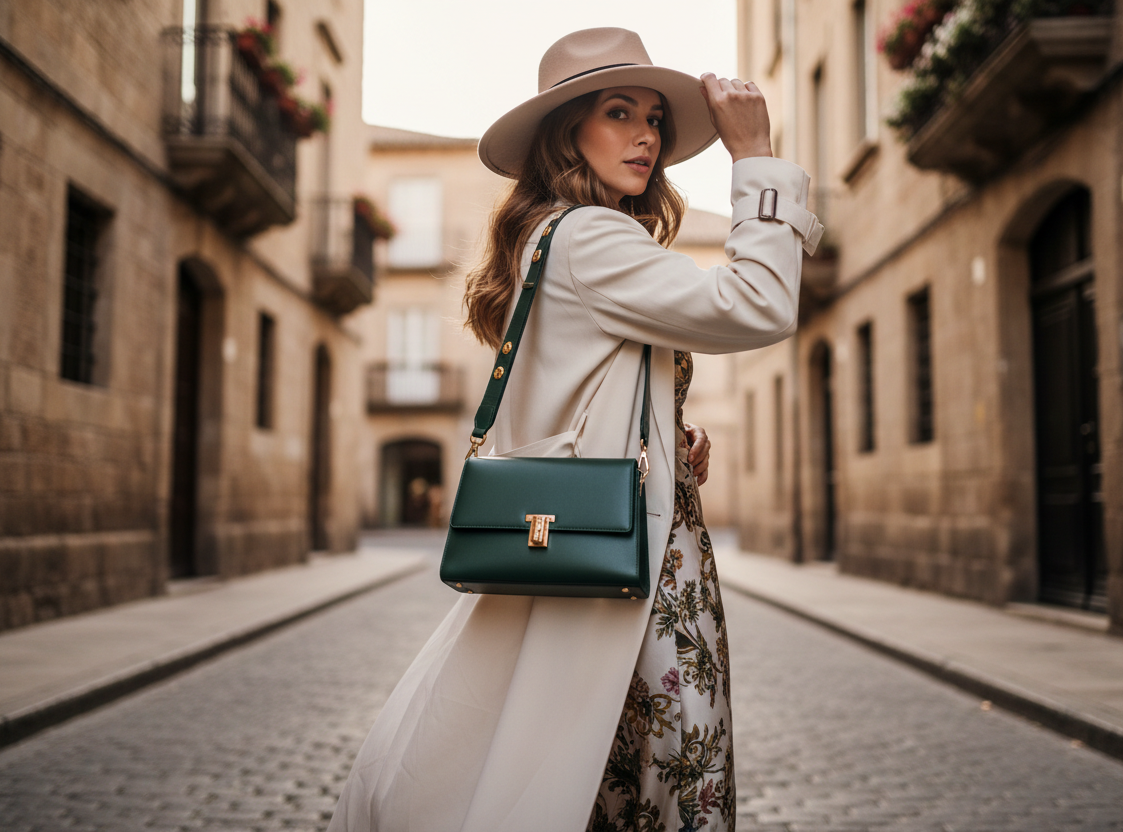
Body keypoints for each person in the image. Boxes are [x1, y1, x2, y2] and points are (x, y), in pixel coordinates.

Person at [327, 27, 821, 832]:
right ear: (567, 132)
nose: (645, 135)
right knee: (673, 773)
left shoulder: (554, 234)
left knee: (598, 773)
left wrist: (668, 431)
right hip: (637, 563)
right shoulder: (592, 236)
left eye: (655, 118)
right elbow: (761, 303)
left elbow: (583, 390)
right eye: (617, 112)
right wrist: (756, 158)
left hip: (617, 542)